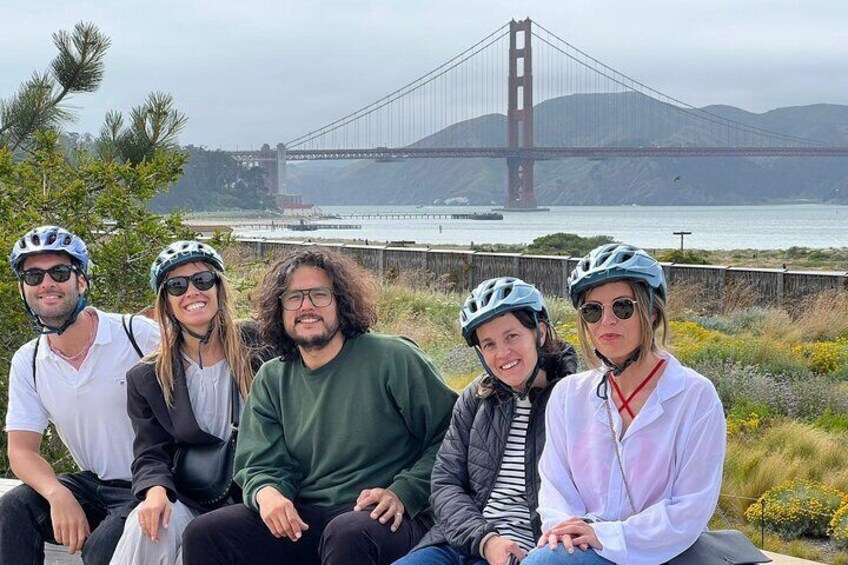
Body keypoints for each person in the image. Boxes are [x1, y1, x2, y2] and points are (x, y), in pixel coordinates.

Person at [181, 247, 458, 565]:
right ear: (280, 310)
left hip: (386, 514)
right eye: (294, 298)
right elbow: (259, 462)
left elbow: (451, 436)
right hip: (306, 515)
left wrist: (404, 491)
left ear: (341, 301)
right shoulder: (273, 377)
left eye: (319, 295)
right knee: (205, 533)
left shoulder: (392, 359)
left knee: (348, 533)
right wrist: (267, 492)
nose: (307, 306)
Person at [522, 244, 726, 565]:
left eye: (622, 307)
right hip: (584, 549)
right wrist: (567, 530)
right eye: (592, 310)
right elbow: (555, 487)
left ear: (652, 312)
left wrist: (611, 536)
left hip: (661, 553)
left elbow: (691, 506)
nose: (606, 321)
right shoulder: (567, 396)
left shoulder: (695, 397)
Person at [0, 225, 160, 565]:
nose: (47, 284)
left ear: (81, 281)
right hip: (96, 484)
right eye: (33, 276)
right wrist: (57, 493)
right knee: (12, 509)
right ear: (23, 288)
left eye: (59, 272)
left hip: (151, 484)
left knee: (102, 548)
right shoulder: (29, 360)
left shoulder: (136, 336)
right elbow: (21, 450)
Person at [110, 241, 275, 564]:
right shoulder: (148, 377)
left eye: (202, 280)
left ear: (218, 288)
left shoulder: (262, 345)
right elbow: (150, 451)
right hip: (193, 492)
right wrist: (155, 490)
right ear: (166, 302)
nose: (192, 292)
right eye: (177, 285)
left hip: (255, 495)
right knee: (147, 524)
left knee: (202, 545)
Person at [396, 277, 577, 565]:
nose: (502, 353)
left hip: (529, 549)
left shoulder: (575, 397)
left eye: (511, 337)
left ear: (540, 332)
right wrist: (485, 540)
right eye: (489, 344)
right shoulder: (476, 398)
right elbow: (445, 483)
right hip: (461, 541)